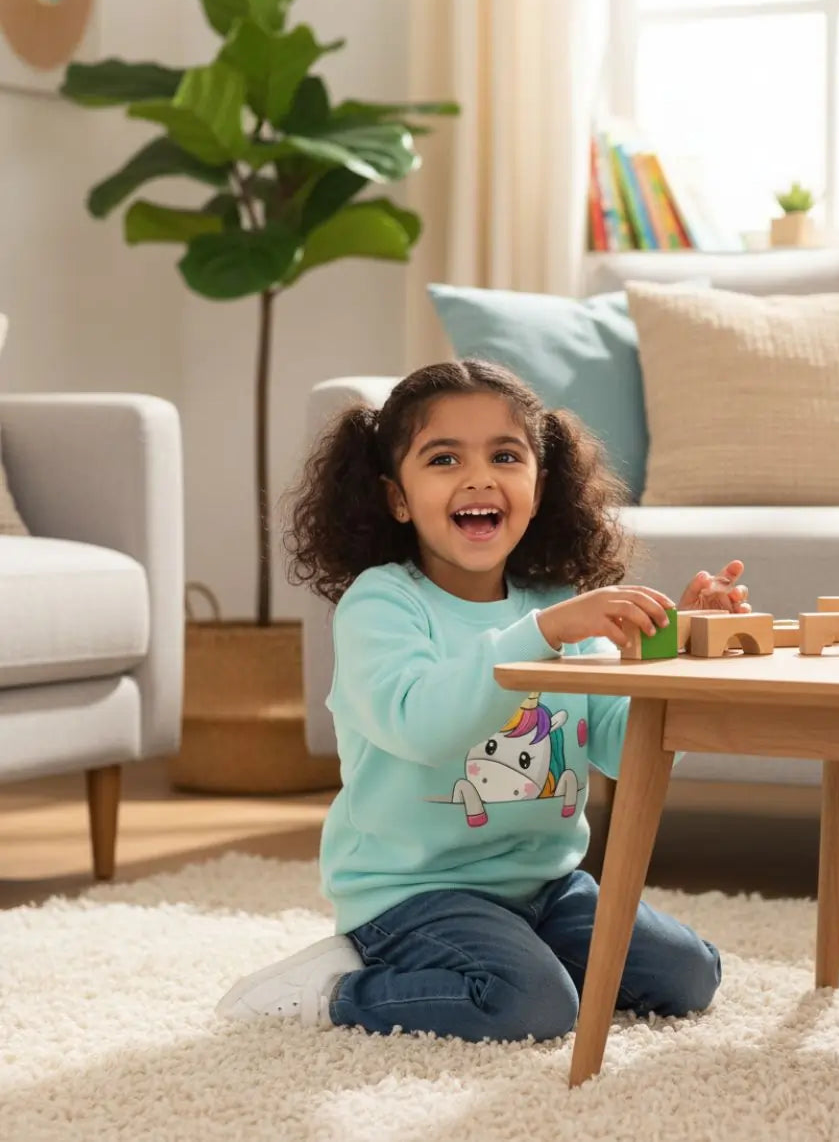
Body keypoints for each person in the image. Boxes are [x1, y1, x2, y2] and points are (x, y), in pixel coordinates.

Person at [216, 359, 749, 1040]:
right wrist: (543, 634)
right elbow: (425, 726)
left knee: (690, 975)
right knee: (530, 1006)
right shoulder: (383, 605)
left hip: (546, 885)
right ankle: (338, 989)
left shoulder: (556, 603)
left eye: (505, 455)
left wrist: (667, 654)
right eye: (443, 459)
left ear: (540, 485)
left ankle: (524, 954)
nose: (479, 477)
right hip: (414, 892)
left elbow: (619, 746)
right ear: (397, 497)